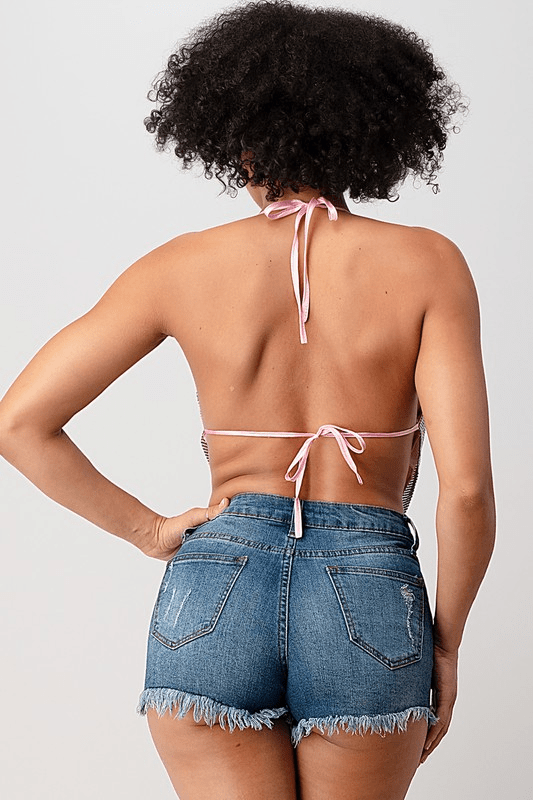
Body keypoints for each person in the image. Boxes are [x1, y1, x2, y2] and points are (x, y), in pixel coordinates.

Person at [0, 1, 496, 798]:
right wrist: (446, 644)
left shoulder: (178, 267)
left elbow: (20, 422)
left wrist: (150, 531)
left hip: (215, 582)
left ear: (230, 132)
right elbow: (465, 490)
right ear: (366, 130)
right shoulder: (428, 264)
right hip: (369, 585)